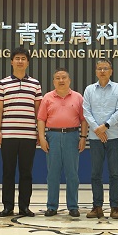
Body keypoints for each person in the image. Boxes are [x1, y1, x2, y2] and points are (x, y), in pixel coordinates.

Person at [0, 47, 42, 218]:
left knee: (26, 173)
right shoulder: (3, 83)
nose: (20, 61)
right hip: (8, 135)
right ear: (11, 62)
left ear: (28, 62)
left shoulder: (35, 84)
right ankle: (7, 206)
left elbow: (38, 111)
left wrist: (39, 133)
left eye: (23, 58)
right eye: (17, 58)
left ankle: (24, 206)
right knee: (8, 172)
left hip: (29, 135)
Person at [37, 68, 87, 218]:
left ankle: (73, 206)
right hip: (52, 136)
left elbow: (84, 120)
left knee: (72, 174)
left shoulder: (78, 97)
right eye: (57, 78)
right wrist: (42, 137)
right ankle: (52, 206)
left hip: (72, 136)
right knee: (53, 174)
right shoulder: (47, 97)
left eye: (64, 77)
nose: (61, 80)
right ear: (53, 81)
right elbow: (41, 119)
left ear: (69, 80)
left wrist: (83, 137)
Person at [82, 59, 118, 219]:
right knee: (96, 173)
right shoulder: (89, 90)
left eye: (105, 68)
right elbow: (86, 111)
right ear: (95, 71)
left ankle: (115, 207)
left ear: (111, 71)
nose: (102, 71)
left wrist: (105, 126)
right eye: (99, 68)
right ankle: (97, 206)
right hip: (95, 138)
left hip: (114, 136)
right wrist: (97, 129)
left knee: (114, 173)